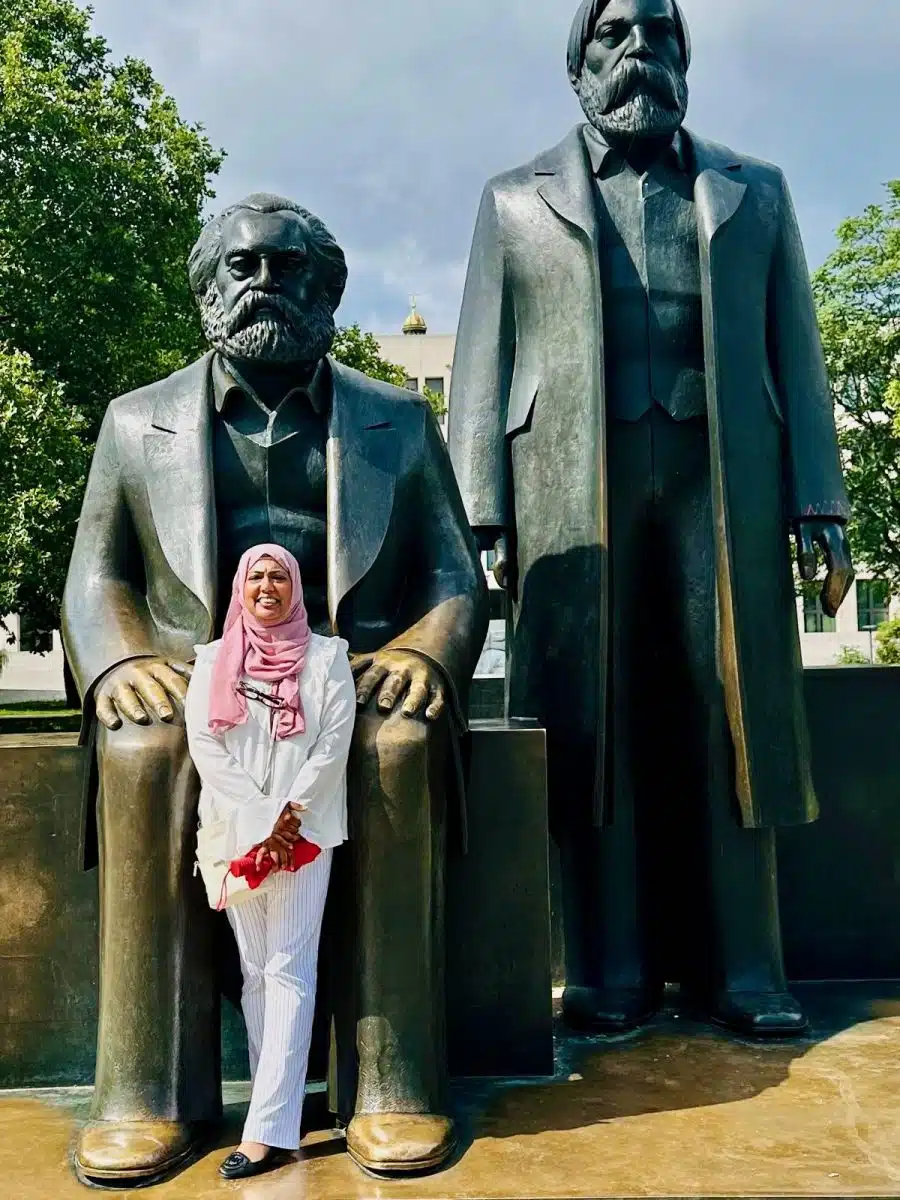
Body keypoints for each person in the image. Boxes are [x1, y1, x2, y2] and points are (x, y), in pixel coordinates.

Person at [62, 192, 487, 1187]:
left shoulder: (396, 421)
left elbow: (456, 578)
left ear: (329, 292)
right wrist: (122, 662)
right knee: (142, 750)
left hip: (344, 675)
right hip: (195, 680)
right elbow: (97, 577)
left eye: (290, 269)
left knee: (396, 746)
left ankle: (391, 1082)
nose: (266, 286)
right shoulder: (136, 425)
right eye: (243, 267)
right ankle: (147, 1094)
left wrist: (424, 654)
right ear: (208, 286)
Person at [448, 0, 854, 1038]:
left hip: (729, 477)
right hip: (567, 488)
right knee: (598, 722)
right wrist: (479, 518)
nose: (642, 55)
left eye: (661, 36)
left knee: (737, 719)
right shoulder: (513, 200)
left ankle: (750, 969)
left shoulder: (752, 191)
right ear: (577, 65)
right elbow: (480, 370)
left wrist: (820, 501)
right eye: (616, 36)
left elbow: (795, 352)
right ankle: (606, 971)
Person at [185, 543, 354, 1180]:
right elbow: (205, 742)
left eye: (278, 576)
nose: (266, 586)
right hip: (233, 839)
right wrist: (260, 824)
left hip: (304, 838)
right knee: (255, 971)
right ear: (239, 586)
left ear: (296, 587)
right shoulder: (212, 661)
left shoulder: (327, 657)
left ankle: (266, 1132)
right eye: (255, 576)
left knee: (288, 967)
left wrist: (287, 821)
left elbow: (332, 744)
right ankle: (272, 1107)